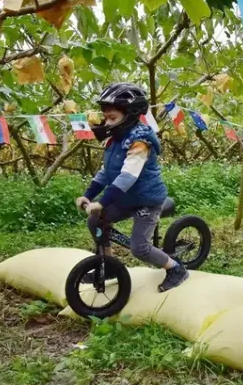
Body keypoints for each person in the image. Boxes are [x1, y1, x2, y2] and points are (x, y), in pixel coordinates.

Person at [75, 83, 189, 292]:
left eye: (112, 118)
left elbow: (127, 177)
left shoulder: (139, 141)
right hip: (126, 199)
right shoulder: (115, 140)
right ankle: (109, 266)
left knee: (139, 248)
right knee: (95, 220)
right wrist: (88, 195)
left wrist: (101, 202)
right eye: (106, 118)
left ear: (129, 115)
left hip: (146, 200)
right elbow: (106, 172)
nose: (106, 122)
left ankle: (176, 269)